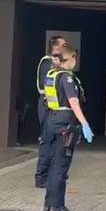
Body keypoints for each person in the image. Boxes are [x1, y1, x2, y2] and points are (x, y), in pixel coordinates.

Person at [41, 45, 94, 211]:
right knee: (61, 165)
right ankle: (57, 206)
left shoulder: (51, 75)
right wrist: (84, 123)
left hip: (51, 120)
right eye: (74, 57)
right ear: (70, 57)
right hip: (65, 122)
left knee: (53, 163)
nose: (75, 61)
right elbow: (74, 102)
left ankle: (48, 205)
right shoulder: (66, 78)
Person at [34, 35, 68, 188]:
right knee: (47, 142)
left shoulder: (58, 63)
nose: (66, 47)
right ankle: (42, 178)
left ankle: (52, 174)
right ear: (55, 47)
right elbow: (46, 87)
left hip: (55, 109)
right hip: (48, 107)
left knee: (56, 142)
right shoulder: (47, 63)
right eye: (64, 45)